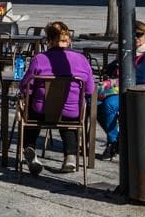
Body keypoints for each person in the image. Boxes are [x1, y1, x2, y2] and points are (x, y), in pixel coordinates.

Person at [18, 21, 94, 176]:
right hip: (71, 112)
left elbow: (26, 85)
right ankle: (70, 157)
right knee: (69, 115)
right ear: (69, 40)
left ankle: (30, 149)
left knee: (30, 107)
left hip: (42, 110)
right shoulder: (82, 59)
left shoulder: (39, 59)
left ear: (49, 41)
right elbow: (90, 89)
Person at [97, 21, 145, 160]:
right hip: (119, 89)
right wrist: (117, 62)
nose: (135, 38)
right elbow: (109, 69)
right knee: (93, 102)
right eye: (132, 35)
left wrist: (119, 76)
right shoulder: (128, 51)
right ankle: (115, 140)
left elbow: (143, 76)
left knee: (109, 105)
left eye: (138, 34)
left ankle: (115, 142)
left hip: (137, 92)